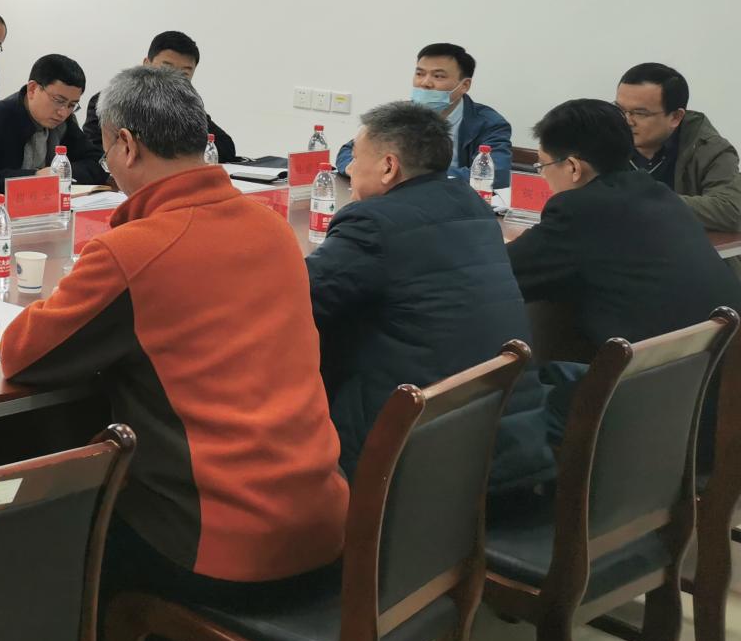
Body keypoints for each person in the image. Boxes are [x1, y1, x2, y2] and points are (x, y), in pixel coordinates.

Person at [0, 66, 348, 641]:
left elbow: (23, 353)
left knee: (56, 525)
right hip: (321, 519)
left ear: (126, 145)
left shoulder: (135, 250)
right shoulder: (271, 227)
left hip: (223, 543)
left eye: (105, 147)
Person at [307, 102, 553, 493]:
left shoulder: (373, 223)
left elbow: (300, 300)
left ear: (389, 166)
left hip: (412, 457)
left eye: (356, 157)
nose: (349, 168)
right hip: (503, 443)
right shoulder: (473, 205)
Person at [508, 98, 741, 359]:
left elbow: (500, 275)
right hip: (714, 367)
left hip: (642, 376)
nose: (542, 175)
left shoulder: (578, 210)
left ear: (573, 167)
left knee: (530, 374)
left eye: (542, 166)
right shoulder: (660, 194)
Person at [336, 43, 510, 185]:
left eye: (438, 76)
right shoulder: (401, 114)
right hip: (401, 197)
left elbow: (497, 173)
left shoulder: (489, 123)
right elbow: (349, 151)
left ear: (464, 85)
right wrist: (355, 167)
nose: (425, 83)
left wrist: (415, 175)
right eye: (420, 74)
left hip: (457, 201)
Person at [0, 53, 110, 190]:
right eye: (58, 101)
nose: (63, 112)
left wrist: (59, 172)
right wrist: (33, 177)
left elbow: (98, 163)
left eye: (72, 105)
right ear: (32, 89)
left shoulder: (64, 122)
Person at [616, 63, 741, 236]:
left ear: (676, 117)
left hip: (683, 249)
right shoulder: (603, 138)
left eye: (640, 113)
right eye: (620, 110)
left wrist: (647, 201)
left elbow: (730, 211)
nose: (627, 121)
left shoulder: (709, 149)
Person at [84, 30, 235, 162]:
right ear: (146, 64)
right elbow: (95, 154)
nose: (174, 79)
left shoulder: (188, 106)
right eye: (166, 69)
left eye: (184, 74)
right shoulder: (111, 102)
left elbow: (225, 149)